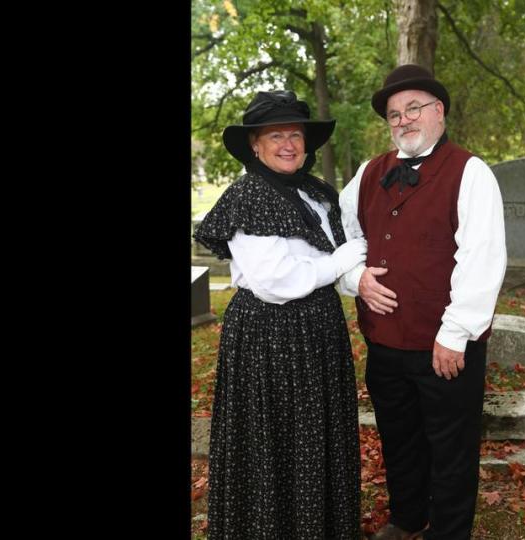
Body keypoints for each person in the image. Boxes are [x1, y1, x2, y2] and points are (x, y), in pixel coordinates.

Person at [338, 65, 507, 540]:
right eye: (394, 114)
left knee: (450, 447)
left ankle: (449, 531)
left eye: (413, 108)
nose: (403, 120)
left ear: (438, 112)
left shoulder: (471, 172)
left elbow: (483, 257)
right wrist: (355, 275)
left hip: (444, 344)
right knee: (399, 438)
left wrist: (456, 333)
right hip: (385, 339)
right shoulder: (370, 171)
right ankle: (407, 517)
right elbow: (341, 230)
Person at [193, 90, 366, 539]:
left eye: (295, 134)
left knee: (315, 437)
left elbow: (328, 255)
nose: (288, 143)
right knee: (274, 439)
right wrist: (343, 260)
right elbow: (276, 282)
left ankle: (320, 526)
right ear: (255, 144)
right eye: (276, 135)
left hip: (319, 328)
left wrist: (351, 268)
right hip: (271, 336)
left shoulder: (314, 193)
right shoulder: (250, 194)